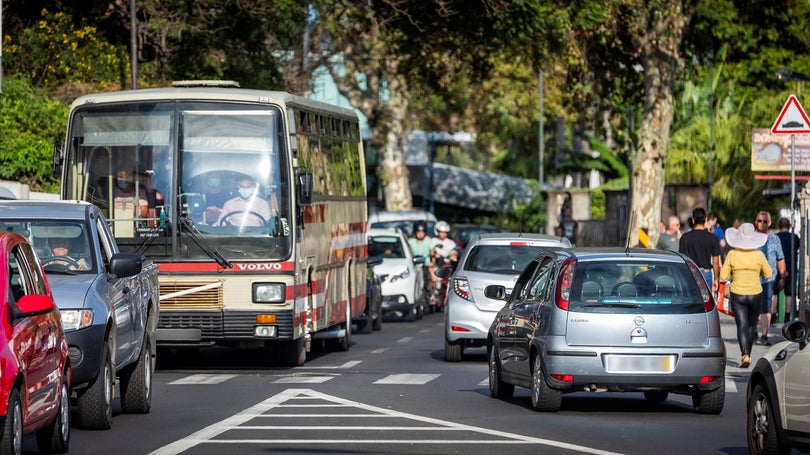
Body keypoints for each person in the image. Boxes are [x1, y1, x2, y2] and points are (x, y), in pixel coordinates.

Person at [719, 222, 771, 368]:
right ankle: (748, 353)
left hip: (738, 294)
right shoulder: (759, 255)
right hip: (756, 293)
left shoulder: (732, 254)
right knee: (751, 326)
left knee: (741, 325)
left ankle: (745, 355)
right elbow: (768, 274)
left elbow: (723, 276)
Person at [755, 211, 786, 346]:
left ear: (770, 223)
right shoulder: (751, 238)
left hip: (769, 279)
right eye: (759, 221)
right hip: (752, 279)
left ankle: (764, 335)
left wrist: (782, 276)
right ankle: (754, 331)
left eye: (765, 221)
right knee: (754, 308)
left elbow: (780, 258)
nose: (761, 224)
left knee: (766, 308)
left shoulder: (775, 239)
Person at [678, 207, 722, 294]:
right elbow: (716, 261)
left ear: (693, 220)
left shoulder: (685, 237)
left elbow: (682, 258)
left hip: (690, 273)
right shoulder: (712, 238)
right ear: (705, 219)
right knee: (705, 302)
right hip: (706, 273)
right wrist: (716, 279)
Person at [775, 217, 800, 322]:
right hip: (791, 268)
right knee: (789, 294)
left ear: (779, 225)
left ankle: (772, 317)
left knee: (774, 293)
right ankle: (787, 318)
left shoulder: (776, 237)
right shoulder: (794, 237)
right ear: (789, 226)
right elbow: (798, 248)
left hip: (777, 267)